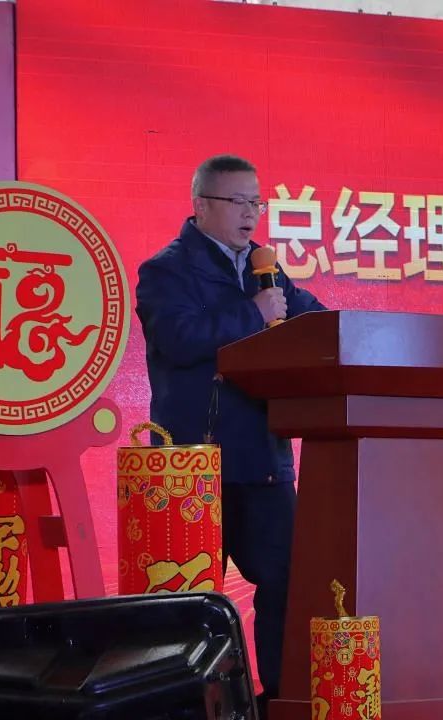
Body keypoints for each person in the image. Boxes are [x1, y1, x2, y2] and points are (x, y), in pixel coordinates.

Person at [135, 154, 326, 715]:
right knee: (190, 597)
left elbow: (315, 320)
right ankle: (193, 706)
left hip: (263, 455)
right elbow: (179, 339)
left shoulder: (267, 270)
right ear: (201, 205)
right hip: (193, 466)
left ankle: (281, 699)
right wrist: (253, 312)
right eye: (238, 202)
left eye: (256, 202)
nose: (250, 214)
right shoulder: (165, 270)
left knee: (287, 583)